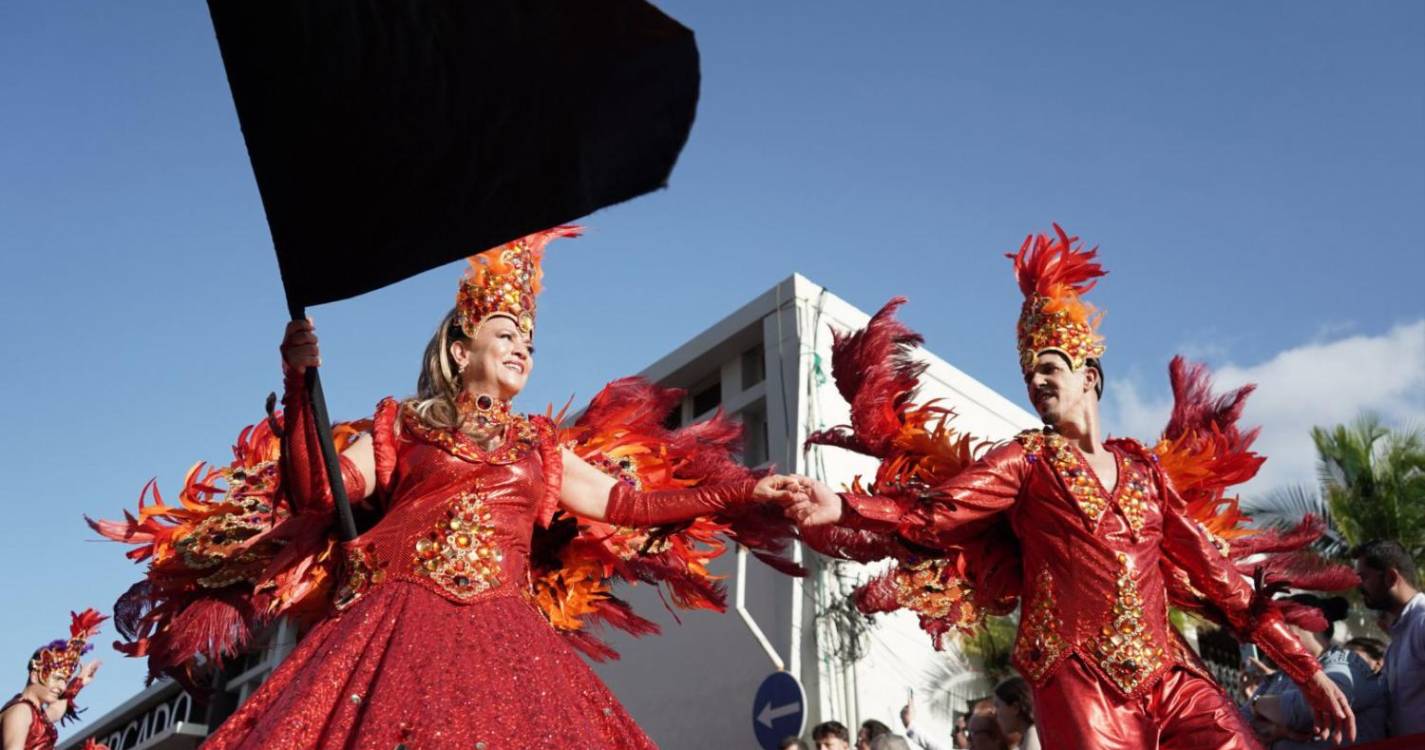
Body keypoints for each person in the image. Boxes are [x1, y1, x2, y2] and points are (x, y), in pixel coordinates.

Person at [159, 228, 809, 748]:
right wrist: (299, 384)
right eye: (506, 334)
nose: (522, 348)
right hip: (392, 626)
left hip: (507, 637)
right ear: (460, 347)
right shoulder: (401, 425)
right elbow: (318, 496)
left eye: (529, 341)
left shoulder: (539, 444)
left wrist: (745, 492)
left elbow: (628, 505)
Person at [789, 226, 1356, 749]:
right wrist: (843, 504)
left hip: (1169, 675)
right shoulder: (1028, 459)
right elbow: (939, 514)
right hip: (1078, 679)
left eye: (1048, 369)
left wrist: (1304, 672)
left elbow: (1220, 577)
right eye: (1028, 374)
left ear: (1089, 376)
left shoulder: (1145, 473)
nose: (1035, 382)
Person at [1246, 594, 1387, 747]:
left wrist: (1256, 703)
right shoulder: (1282, 674)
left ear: (1309, 625)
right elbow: (1244, 720)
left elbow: (1300, 710)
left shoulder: (1348, 666)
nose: (1273, 636)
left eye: (1281, 627)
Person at [2, 610, 104, 750]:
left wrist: (79, 681)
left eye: (65, 681)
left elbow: (56, 711)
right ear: (35, 675)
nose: (62, 687)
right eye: (57, 678)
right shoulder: (22, 711)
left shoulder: (37, 715)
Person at [1354, 539, 1425, 737]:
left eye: (1364, 578)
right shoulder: (1400, 636)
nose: (1359, 587)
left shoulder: (1421, 622)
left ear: (1391, 577)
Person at [992, 677, 1039, 750]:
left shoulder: (1034, 742)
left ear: (1015, 708)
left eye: (997, 705)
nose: (994, 713)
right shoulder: (1028, 739)